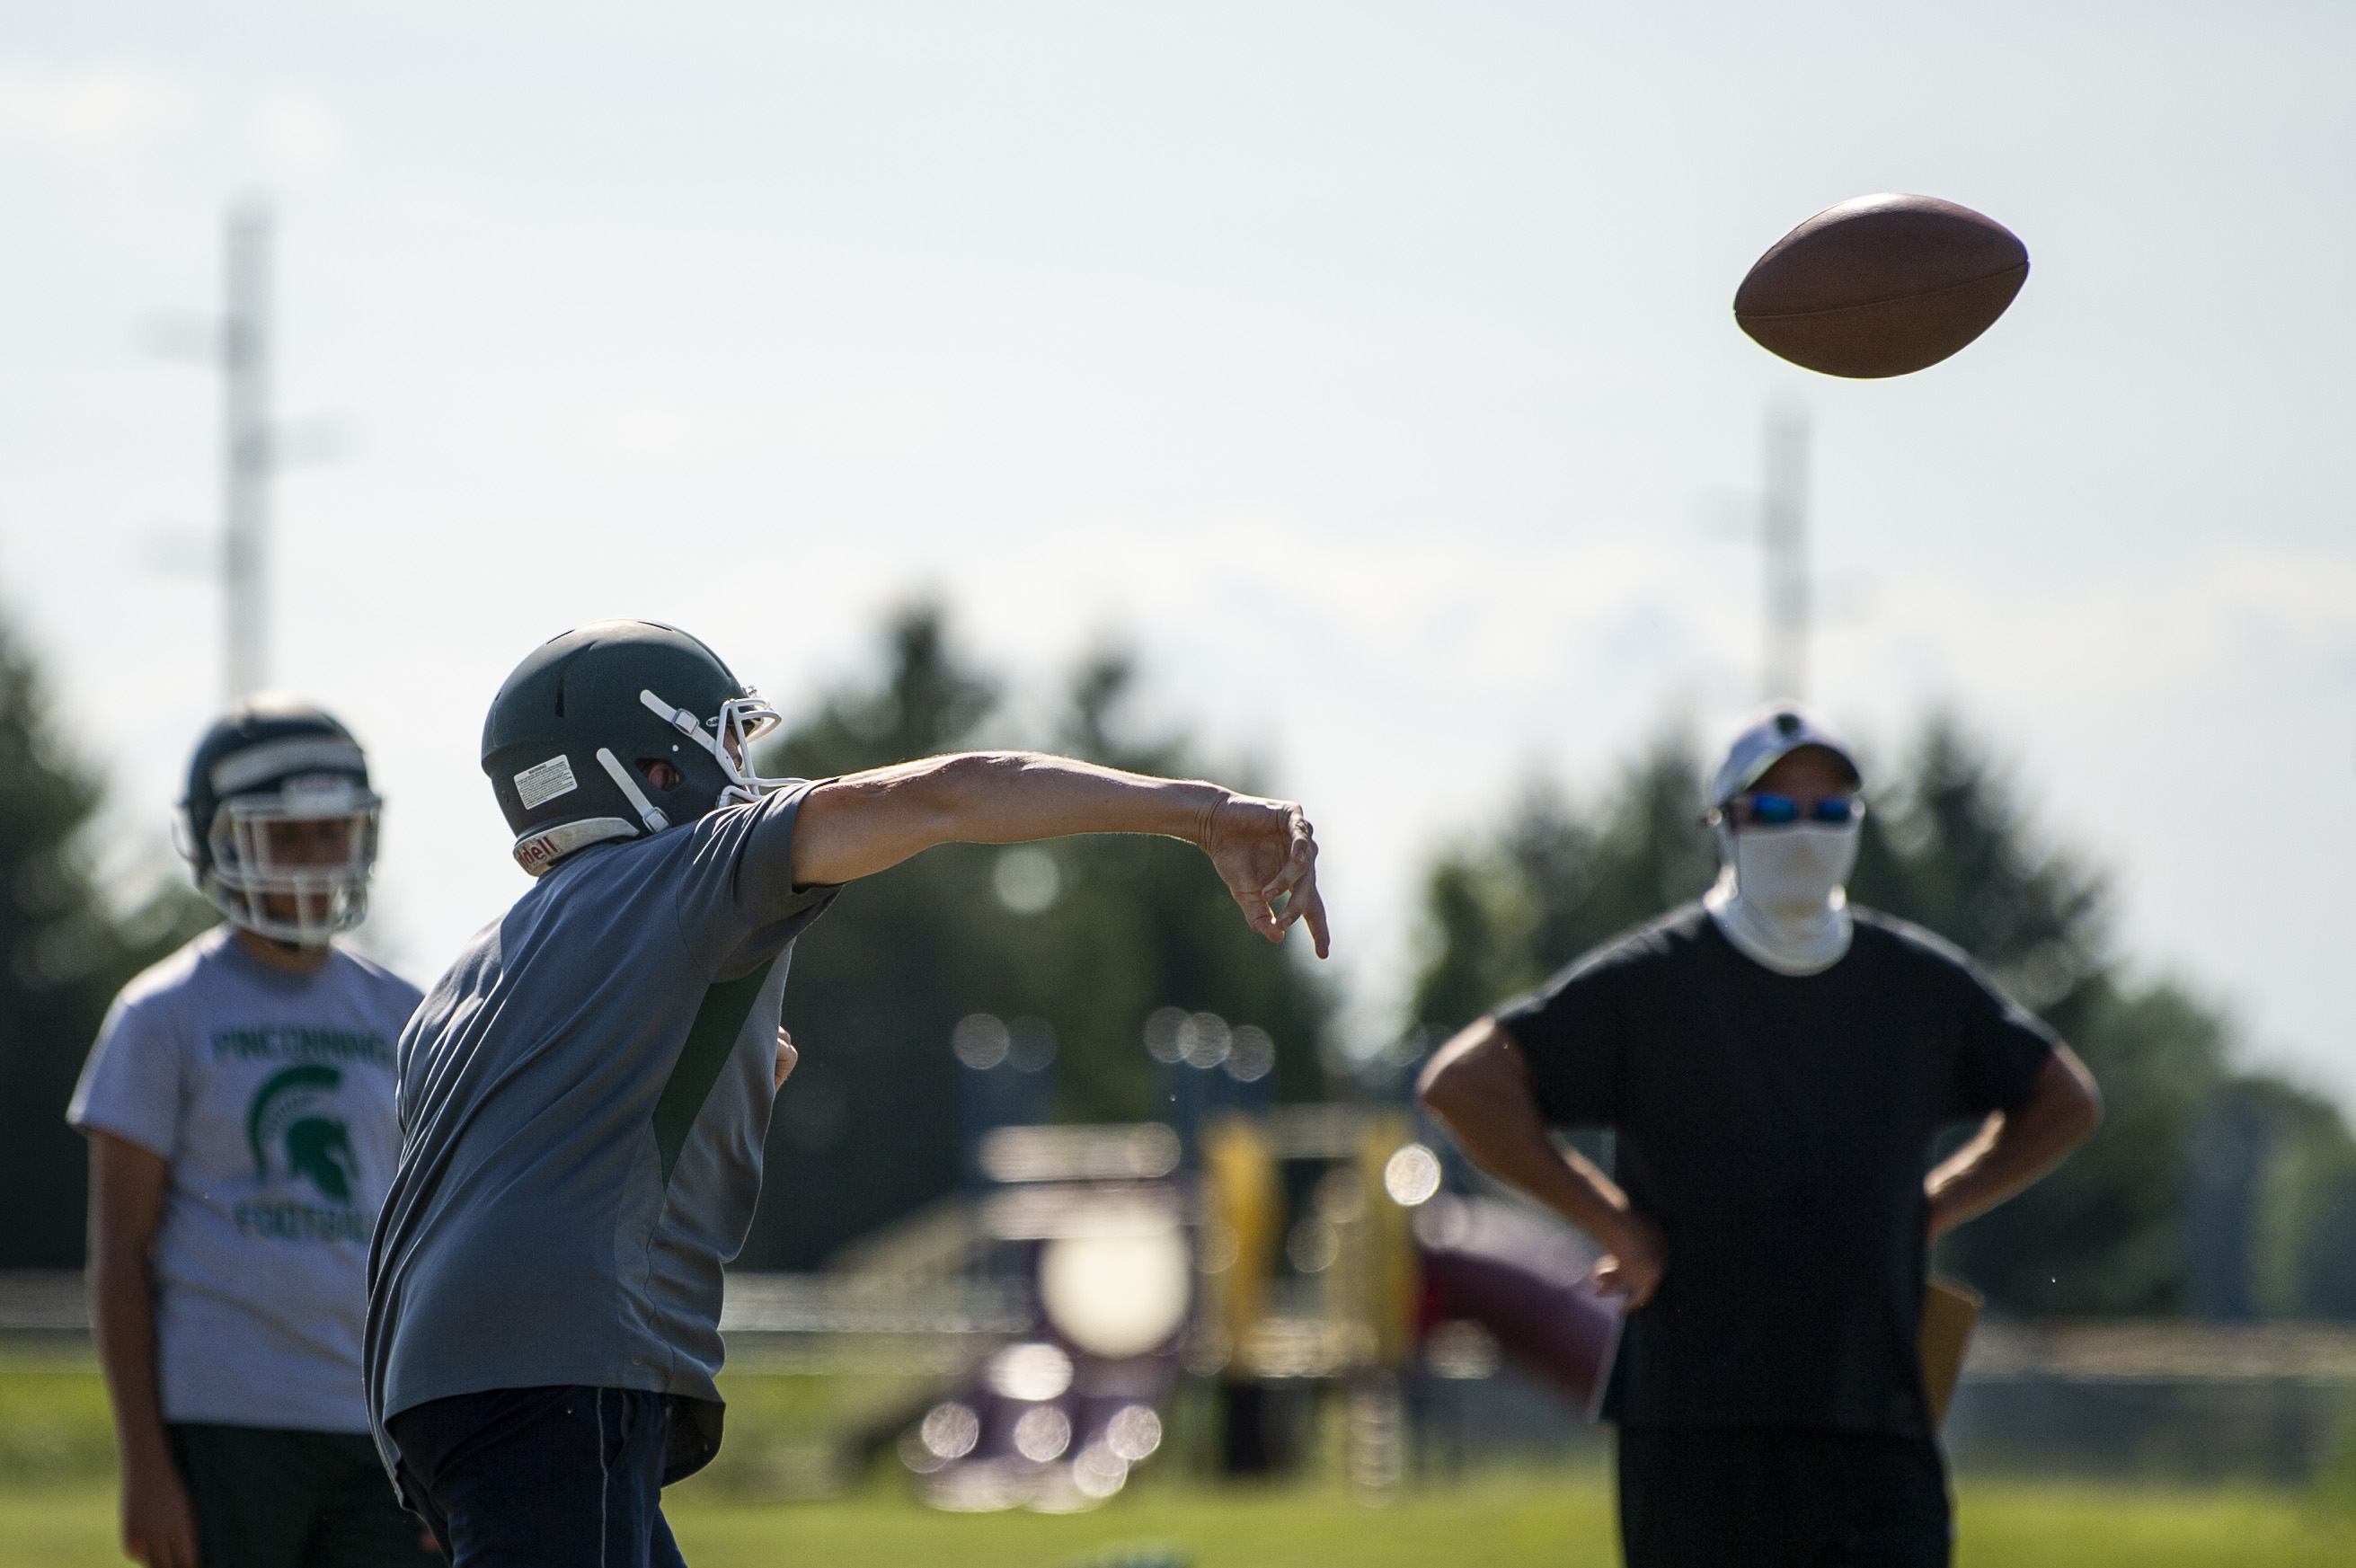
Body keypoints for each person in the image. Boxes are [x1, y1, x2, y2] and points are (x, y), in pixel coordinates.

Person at [365, 620, 1328, 1566]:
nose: (742, 769)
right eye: (725, 739)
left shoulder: (480, 963)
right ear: (656, 767)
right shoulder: (678, 873)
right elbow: (950, 796)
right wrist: (1206, 812)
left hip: (432, 1375)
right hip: (556, 1358)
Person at [1416, 705, 2102, 1568]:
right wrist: (1611, 1221)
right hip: (1696, 1421)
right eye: (1773, 812)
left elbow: (2064, 1097)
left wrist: (1936, 1203)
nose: (1803, 834)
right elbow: (1463, 1083)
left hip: (1873, 1411)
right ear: (1726, 826)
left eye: (1830, 811)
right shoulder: (1653, 980)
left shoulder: (1916, 983)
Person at [70, 699, 438, 1568]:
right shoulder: (163, 1013)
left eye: (333, 831)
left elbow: (436, 1246)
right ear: (219, 841)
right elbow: (121, 1253)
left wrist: (439, 1438)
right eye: (289, 836)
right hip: (226, 1417)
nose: (317, 857)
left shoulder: (408, 1011)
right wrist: (147, 1466)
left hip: (379, 1422)